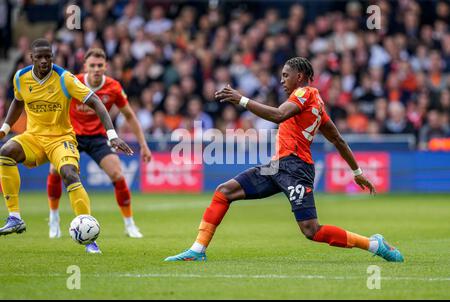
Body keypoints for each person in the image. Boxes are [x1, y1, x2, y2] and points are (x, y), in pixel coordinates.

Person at [165, 57, 404, 262]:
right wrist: (357, 172)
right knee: (225, 191)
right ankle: (197, 250)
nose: (281, 80)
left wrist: (242, 100)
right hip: (277, 166)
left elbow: (279, 116)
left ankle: (374, 245)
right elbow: (338, 140)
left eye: (285, 75)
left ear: (299, 76)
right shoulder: (316, 107)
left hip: (296, 168)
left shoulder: (305, 93)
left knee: (311, 231)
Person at [0, 39, 133, 254]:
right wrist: (5, 128)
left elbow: (96, 102)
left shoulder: (65, 78)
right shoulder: (20, 77)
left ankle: (90, 239)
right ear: (31, 58)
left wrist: (112, 135)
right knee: (5, 153)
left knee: (69, 174)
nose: (44, 61)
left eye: (48, 56)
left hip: (61, 139)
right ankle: (15, 217)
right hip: (33, 137)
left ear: (53, 57)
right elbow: (18, 100)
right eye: (40, 57)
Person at [46, 48, 152, 239]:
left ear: (106, 67)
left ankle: (130, 224)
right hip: (72, 136)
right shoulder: (72, 82)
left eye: (99, 65)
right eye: (92, 65)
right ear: (85, 66)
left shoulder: (113, 87)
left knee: (118, 175)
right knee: (54, 170)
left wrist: (143, 144)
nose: (96, 69)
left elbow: (130, 116)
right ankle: (54, 218)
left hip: (98, 138)